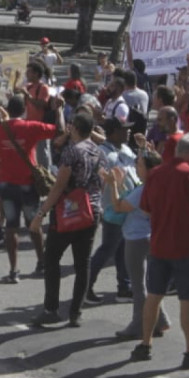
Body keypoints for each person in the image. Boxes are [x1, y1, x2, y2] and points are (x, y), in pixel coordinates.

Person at [131, 133, 189, 368]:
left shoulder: (156, 174)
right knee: (188, 300)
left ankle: (145, 344)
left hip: (159, 244)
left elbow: (146, 209)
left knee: (154, 296)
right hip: (187, 246)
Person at [30, 113, 105, 327]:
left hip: (68, 211)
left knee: (52, 258)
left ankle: (51, 309)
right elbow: (102, 182)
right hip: (92, 210)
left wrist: (41, 213)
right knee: (83, 263)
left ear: (74, 128)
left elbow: (59, 186)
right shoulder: (98, 151)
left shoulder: (72, 152)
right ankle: (75, 312)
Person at [0, 95, 61, 284]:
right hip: (28, 184)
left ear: (8, 109)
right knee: (34, 224)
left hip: (7, 184)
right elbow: (58, 131)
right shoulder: (31, 127)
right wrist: (58, 110)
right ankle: (41, 263)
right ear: (24, 109)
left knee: (11, 226)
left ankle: (13, 269)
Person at [105, 150, 170, 340]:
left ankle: (138, 324)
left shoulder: (144, 189)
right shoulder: (159, 185)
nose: (136, 168)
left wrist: (113, 185)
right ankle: (160, 320)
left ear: (150, 169)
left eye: (140, 165)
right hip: (150, 235)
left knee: (138, 285)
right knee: (151, 283)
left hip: (136, 238)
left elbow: (118, 206)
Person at [85, 117, 135, 301]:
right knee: (108, 248)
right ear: (113, 132)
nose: (128, 131)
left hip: (128, 206)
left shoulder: (126, 149)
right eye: (124, 129)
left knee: (122, 248)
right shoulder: (103, 153)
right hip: (112, 208)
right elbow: (97, 181)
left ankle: (124, 287)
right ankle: (86, 286)